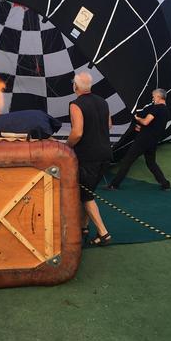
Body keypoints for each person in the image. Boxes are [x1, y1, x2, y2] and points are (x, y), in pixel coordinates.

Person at [66, 72, 112, 247]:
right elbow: (109, 125)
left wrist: (66, 147)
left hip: (87, 157)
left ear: (75, 87)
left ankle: (103, 233)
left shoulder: (76, 104)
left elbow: (77, 132)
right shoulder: (103, 102)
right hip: (106, 154)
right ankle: (83, 227)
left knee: (85, 195)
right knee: (88, 191)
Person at [107, 89, 171, 191]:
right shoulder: (166, 111)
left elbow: (146, 122)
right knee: (151, 163)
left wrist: (137, 118)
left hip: (143, 140)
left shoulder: (156, 108)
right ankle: (165, 184)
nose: (153, 98)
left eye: (153, 96)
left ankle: (114, 185)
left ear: (159, 97)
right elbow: (155, 126)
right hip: (153, 141)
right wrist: (142, 129)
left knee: (127, 161)